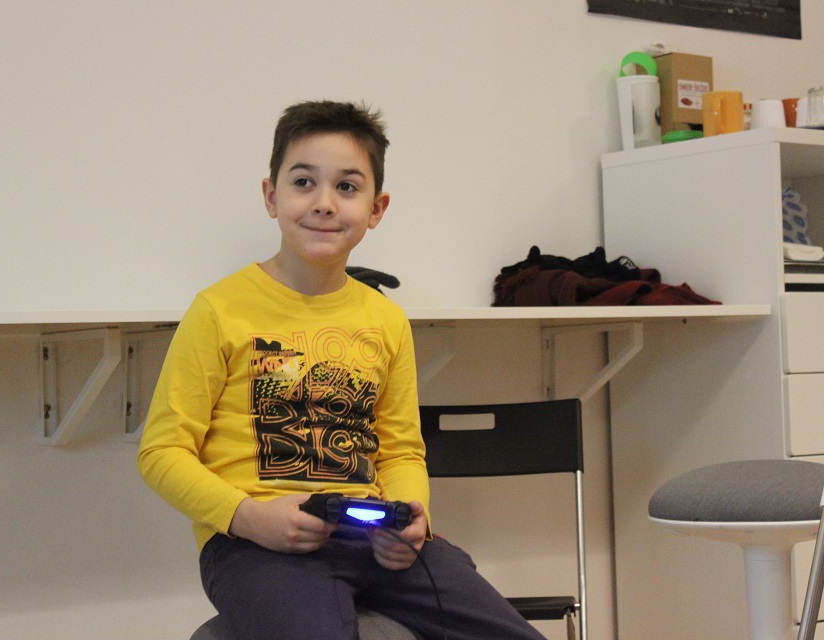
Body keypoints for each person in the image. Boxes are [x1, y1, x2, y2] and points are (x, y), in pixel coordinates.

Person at [137, 100, 547, 640]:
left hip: (371, 540)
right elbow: (162, 452)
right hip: (254, 545)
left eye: (347, 187)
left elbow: (401, 451)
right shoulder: (218, 310)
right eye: (303, 182)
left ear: (376, 208)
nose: (324, 203)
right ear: (271, 196)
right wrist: (248, 517)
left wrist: (412, 517)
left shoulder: (386, 321)